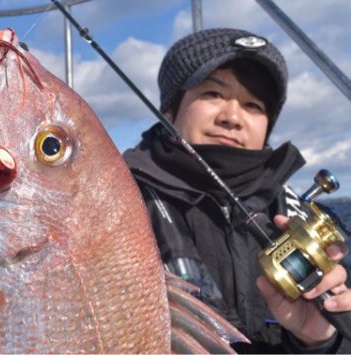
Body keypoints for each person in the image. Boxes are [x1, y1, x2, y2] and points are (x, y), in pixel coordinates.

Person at [123, 28, 351, 353]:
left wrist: (318, 341)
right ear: (170, 110)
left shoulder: (301, 220)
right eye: (212, 94)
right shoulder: (117, 204)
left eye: (253, 105)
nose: (232, 117)